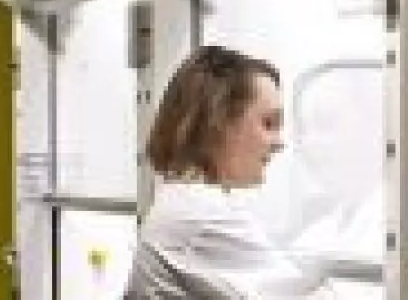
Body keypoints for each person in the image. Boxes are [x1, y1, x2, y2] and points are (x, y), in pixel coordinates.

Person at [127, 46, 337, 300]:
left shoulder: (185, 199)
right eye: (268, 123)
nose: (279, 142)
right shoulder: (201, 213)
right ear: (218, 123)